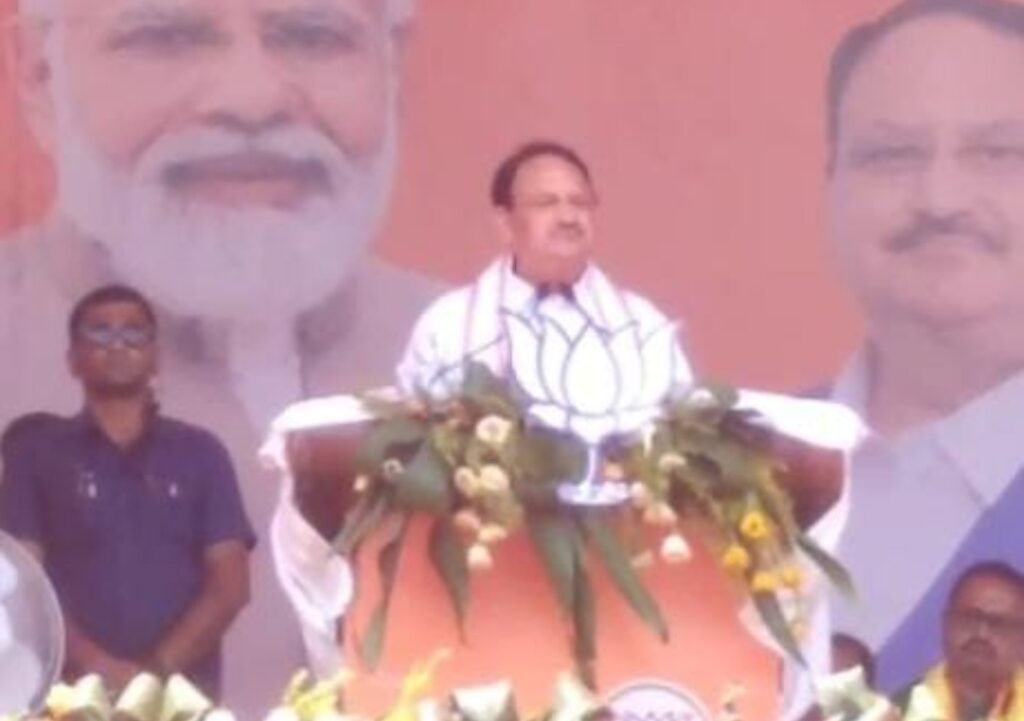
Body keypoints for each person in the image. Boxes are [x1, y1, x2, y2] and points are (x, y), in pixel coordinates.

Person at [269, 140, 856, 721]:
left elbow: (679, 428)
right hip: (482, 596)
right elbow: (416, 431)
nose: (568, 216)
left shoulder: (639, 324)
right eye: (547, 203)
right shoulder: (452, 325)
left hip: (644, 585)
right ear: (505, 222)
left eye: (579, 202)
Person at [0, 0, 441, 712]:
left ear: (394, 69)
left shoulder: (470, 353)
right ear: (39, 75)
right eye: (165, 36)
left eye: (313, 35)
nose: (251, 99)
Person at [823, 0, 1024, 691]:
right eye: (892, 154)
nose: (941, 199)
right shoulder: (714, 472)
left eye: (998, 153)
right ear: (831, 188)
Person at [0, 285, 255, 700]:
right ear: (73, 359)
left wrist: (151, 675)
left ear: (156, 356)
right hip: (71, 697)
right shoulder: (37, 454)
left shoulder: (202, 452)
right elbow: (23, 585)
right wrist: (97, 667)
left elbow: (230, 586)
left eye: (134, 332)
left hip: (182, 698)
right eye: (100, 332)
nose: (118, 344)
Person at [899, 562, 1024, 720]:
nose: (981, 633)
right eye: (970, 618)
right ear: (946, 623)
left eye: (998, 624)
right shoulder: (899, 711)